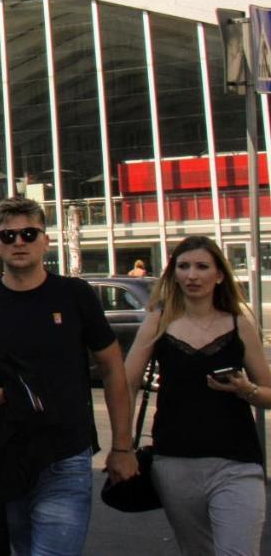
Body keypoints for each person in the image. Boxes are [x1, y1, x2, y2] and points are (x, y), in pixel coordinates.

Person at [0, 196, 136, 556]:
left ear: (45, 240)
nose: (18, 242)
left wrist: (122, 447)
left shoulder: (74, 294)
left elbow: (113, 368)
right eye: (7, 236)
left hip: (65, 454)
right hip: (1, 453)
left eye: (28, 233)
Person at [123, 235, 269, 555]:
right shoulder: (158, 321)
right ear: (173, 274)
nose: (192, 275)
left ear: (219, 275)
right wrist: (122, 446)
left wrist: (248, 390)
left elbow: (268, 392)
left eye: (202, 267)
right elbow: (126, 385)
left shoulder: (239, 324)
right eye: (183, 266)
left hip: (238, 462)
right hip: (175, 463)